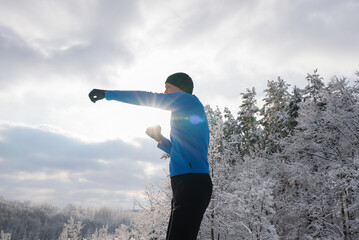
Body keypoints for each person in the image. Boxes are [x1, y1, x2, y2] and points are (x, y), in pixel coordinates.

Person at [89, 72, 212, 240]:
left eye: (168, 87)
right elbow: (179, 151)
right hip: (184, 183)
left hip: (192, 182)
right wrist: (160, 139)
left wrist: (107, 94)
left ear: (182, 90)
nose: (165, 92)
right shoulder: (183, 114)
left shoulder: (188, 101)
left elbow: (147, 97)